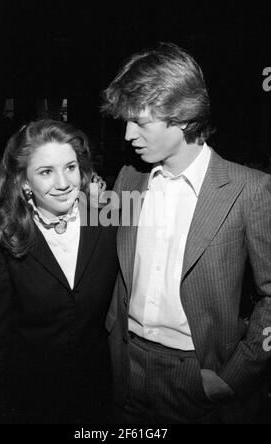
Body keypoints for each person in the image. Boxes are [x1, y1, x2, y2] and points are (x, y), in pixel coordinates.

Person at [102, 42, 271, 424]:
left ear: (182, 116)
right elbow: (98, 246)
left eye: (140, 122)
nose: (128, 134)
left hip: (198, 375)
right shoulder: (130, 179)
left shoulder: (250, 190)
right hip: (126, 365)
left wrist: (237, 375)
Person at [0, 120, 118, 424]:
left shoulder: (107, 225)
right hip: (30, 404)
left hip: (97, 400)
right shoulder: (6, 239)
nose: (64, 182)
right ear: (24, 182)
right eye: (46, 172)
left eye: (70, 167)